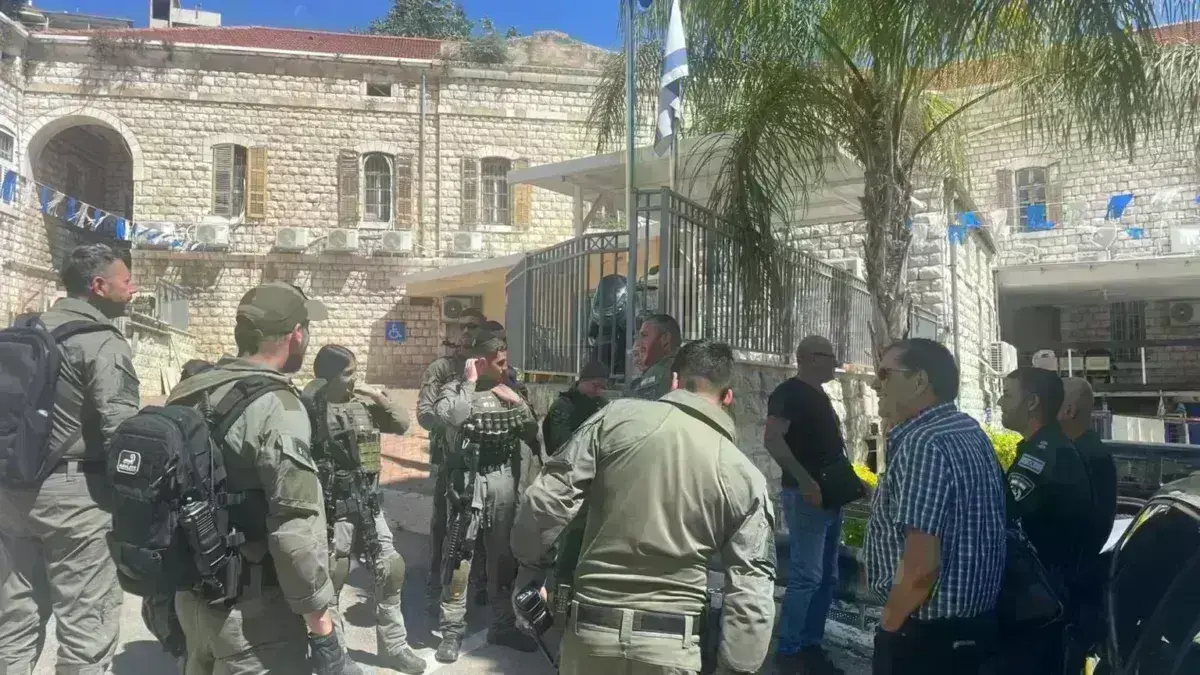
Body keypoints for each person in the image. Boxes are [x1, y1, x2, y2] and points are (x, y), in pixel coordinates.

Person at [511, 339, 778, 675]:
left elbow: (546, 501)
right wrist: (736, 666)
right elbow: (752, 586)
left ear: (675, 381)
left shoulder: (615, 419)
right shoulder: (745, 476)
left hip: (591, 636)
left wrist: (529, 574)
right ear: (728, 398)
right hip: (671, 650)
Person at [165, 282, 362, 675]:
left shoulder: (189, 390)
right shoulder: (278, 406)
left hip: (191, 601)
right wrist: (321, 626)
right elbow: (294, 527)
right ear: (297, 335)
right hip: (254, 618)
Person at [0, 243, 140, 674]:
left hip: (12, 490)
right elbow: (123, 433)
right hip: (75, 500)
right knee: (86, 630)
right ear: (98, 286)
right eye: (126, 280)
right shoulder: (101, 341)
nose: (133, 288)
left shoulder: (25, 331)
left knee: (14, 622)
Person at [864, 338, 1006, 675]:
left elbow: (922, 567)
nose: (875, 385)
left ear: (919, 381)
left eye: (884, 374)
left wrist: (889, 626)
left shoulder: (923, 442)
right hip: (973, 630)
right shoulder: (968, 429)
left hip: (927, 638)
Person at [305, 345, 427, 674]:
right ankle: (337, 654)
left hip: (369, 505)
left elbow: (402, 423)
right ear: (328, 377)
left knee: (391, 569)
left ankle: (394, 647)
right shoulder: (312, 411)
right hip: (336, 511)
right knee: (333, 579)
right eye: (348, 373)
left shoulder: (364, 406)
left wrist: (378, 395)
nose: (354, 378)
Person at [431, 326, 540, 662]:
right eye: (499, 362)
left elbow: (533, 433)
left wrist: (518, 402)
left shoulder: (508, 390)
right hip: (468, 482)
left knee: (502, 557)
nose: (506, 367)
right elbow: (451, 416)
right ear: (480, 361)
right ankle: (452, 631)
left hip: (502, 479)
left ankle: (503, 624)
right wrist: (469, 383)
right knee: (460, 556)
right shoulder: (454, 390)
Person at [998, 367, 1095, 675]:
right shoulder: (1049, 447)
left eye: (1007, 394)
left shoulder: (1042, 455)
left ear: (1032, 403)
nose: (1000, 402)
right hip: (1044, 601)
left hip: (1040, 606)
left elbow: (1002, 515)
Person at [765, 335, 848, 674]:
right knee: (808, 576)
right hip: (806, 497)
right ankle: (789, 650)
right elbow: (773, 440)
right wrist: (804, 481)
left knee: (827, 576)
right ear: (811, 358)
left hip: (829, 496)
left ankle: (811, 645)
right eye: (830, 356)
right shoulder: (788, 393)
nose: (835, 362)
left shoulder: (819, 395)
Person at [419, 309, 484, 612]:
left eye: (475, 328)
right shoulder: (443, 368)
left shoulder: (489, 366)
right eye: (464, 327)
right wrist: (451, 418)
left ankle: (477, 585)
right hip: (450, 458)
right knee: (444, 525)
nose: (468, 333)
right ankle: (435, 583)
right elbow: (424, 413)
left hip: (482, 461)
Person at [1058, 377, 1117, 673]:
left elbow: (1081, 525)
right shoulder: (1082, 449)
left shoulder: (1085, 456)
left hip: (1071, 587)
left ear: (1068, 410)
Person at [543, 360, 609, 456]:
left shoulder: (601, 404)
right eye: (595, 386)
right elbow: (562, 445)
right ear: (582, 381)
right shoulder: (563, 406)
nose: (599, 391)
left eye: (603, 388)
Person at [627, 313, 681, 400]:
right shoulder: (680, 365)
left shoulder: (661, 372)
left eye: (644, 335)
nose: (637, 344)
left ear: (665, 338)